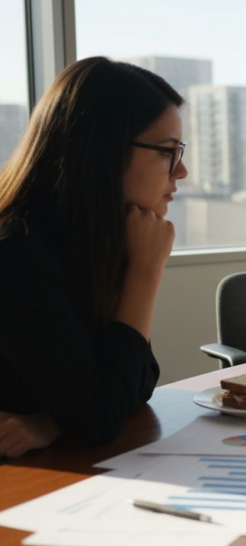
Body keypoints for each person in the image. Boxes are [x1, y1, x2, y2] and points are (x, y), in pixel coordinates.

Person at [0, 57, 187, 458]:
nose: (182, 171)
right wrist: (145, 272)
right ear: (105, 150)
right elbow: (101, 418)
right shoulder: (15, 253)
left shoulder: (90, 241)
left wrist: (54, 421)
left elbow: (139, 380)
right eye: (167, 152)